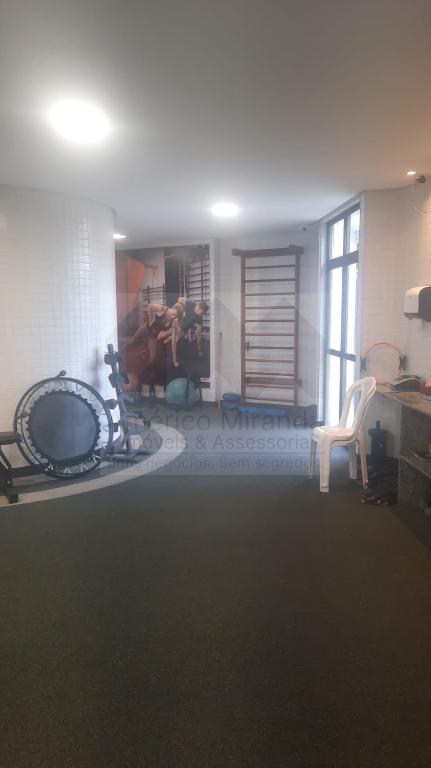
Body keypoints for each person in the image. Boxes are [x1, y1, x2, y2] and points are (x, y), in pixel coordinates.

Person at [171, 298, 208, 367]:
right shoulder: (190, 303)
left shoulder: (199, 317)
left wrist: (199, 349)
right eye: (202, 313)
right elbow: (180, 299)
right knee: (174, 342)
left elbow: (198, 334)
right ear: (199, 308)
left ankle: (198, 350)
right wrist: (178, 310)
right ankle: (174, 361)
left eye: (203, 314)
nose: (202, 315)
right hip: (178, 322)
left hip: (185, 327)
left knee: (179, 337)